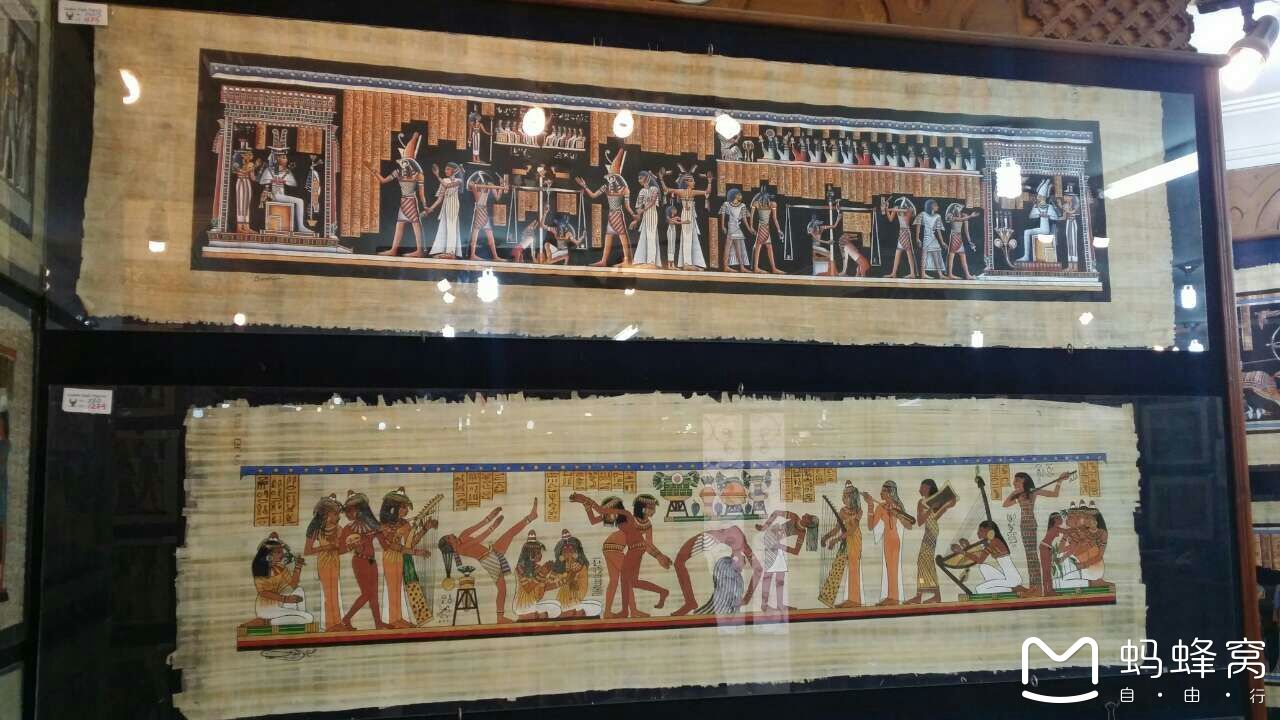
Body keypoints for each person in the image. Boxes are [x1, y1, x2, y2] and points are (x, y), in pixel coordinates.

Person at [437, 499, 539, 624]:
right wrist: (494, 526)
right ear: (450, 545)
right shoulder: (460, 548)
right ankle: (500, 618)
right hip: (489, 561)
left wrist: (491, 516)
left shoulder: (462, 535)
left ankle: (531, 517)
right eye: (448, 537)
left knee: (509, 533)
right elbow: (478, 539)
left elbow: (480, 524)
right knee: (502, 589)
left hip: (492, 552)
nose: (451, 535)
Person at [1002, 471, 1070, 595]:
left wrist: (1059, 481)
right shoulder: (1018, 494)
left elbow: (1054, 494)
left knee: (1032, 556)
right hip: (1024, 526)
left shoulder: (1032, 491)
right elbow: (1005, 504)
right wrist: (1016, 495)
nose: (1013, 483)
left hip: (1030, 525)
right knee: (1030, 556)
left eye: (1016, 480)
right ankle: (1034, 587)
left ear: (1023, 480)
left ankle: (1036, 588)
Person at [671, 525, 763, 615]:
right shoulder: (739, 545)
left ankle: (690, 602)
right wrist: (747, 599)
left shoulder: (738, 545)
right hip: (710, 539)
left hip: (712, 539)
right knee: (679, 562)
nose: (741, 570)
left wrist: (747, 599)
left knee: (678, 562)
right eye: (740, 569)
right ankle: (690, 602)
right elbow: (758, 569)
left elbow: (758, 569)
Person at [378, 487, 435, 629]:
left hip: (401, 556)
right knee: (393, 587)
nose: (406, 510)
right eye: (403, 507)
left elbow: (411, 542)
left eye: (406, 507)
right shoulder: (385, 524)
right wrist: (415, 552)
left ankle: (398, 618)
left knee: (398, 588)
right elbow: (391, 545)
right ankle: (394, 620)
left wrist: (425, 528)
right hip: (390, 557)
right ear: (393, 508)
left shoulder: (404, 523)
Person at [368, 132, 427, 257]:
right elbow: (383, 180)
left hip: (410, 201)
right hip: (404, 201)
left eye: (404, 161)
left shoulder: (418, 175)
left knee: (415, 224)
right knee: (400, 224)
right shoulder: (399, 172)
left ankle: (419, 251)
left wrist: (425, 205)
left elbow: (421, 193)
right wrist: (373, 171)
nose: (402, 163)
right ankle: (394, 249)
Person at [338, 490, 388, 630]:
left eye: (350, 510)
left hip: (372, 562)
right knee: (367, 594)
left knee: (374, 595)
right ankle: (346, 619)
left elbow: (385, 546)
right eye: (346, 511)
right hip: (360, 562)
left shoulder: (372, 526)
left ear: (360, 510)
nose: (347, 514)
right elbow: (340, 550)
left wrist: (385, 532)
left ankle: (378, 623)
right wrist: (352, 546)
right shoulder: (348, 528)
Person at [576, 150, 634, 267]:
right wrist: (585, 186)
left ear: (616, 178)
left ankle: (627, 260)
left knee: (622, 236)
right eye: (609, 177)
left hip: (618, 214)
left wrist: (633, 214)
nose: (609, 179)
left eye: (611, 177)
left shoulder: (624, 189)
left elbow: (627, 206)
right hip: (611, 215)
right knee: (608, 236)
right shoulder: (606, 187)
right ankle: (604, 260)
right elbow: (593, 195)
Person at [753, 510, 817, 612]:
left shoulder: (802, 532)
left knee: (779, 576)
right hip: (770, 540)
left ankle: (776, 605)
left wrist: (779, 546)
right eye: (807, 514)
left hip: (774, 543)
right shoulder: (795, 516)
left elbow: (796, 551)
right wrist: (764, 527)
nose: (805, 514)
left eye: (808, 516)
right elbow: (776, 512)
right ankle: (765, 605)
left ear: (808, 524)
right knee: (769, 575)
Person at [905, 479, 955, 605]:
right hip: (929, 530)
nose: (920, 490)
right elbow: (920, 521)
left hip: (932, 531)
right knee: (924, 561)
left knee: (924, 560)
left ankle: (922, 596)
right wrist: (931, 508)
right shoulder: (921, 502)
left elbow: (948, 505)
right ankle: (934, 595)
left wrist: (945, 504)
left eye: (922, 487)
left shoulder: (935, 500)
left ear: (928, 488)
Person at [864, 480, 915, 606]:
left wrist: (898, 515)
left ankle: (894, 597)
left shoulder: (897, 507)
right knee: (889, 569)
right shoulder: (880, 507)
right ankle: (892, 596)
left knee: (893, 568)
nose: (881, 493)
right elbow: (870, 526)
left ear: (890, 493)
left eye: (883, 491)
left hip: (895, 540)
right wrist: (870, 505)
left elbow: (909, 526)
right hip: (887, 540)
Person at [251, 532, 312, 626]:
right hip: (265, 608)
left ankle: (295, 620)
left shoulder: (280, 567)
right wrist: (286, 599)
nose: (282, 554)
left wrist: (298, 567)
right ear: (269, 554)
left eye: (282, 551)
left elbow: (293, 585)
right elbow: (263, 592)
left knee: (299, 590)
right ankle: (265, 622)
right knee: (308, 618)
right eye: (279, 552)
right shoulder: (260, 569)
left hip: (279, 604)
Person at [302, 493, 344, 631]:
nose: (338, 517)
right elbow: (307, 551)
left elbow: (342, 546)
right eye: (335, 513)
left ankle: (337, 622)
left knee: (334, 592)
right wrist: (325, 547)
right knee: (328, 593)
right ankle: (330, 624)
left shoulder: (338, 528)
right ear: (326, 514)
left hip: (335, 561)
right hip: (324, 562)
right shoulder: (317, 529)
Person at [819, 481, 864, 608]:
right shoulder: (843, 511)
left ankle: (854, 601)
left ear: (853, 497)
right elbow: (836, 529)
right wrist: (826, 537)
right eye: (843, 495)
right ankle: (828, 597)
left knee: (853, 568)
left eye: (846, 496)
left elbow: (852, 530)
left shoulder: (859, 511)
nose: (843, 498)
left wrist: (836, 540)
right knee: (838, 565)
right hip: (845, 540)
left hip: (854, 540)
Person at [258, 133, 314, 236]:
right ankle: (300, 226)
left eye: (285, 157)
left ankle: (301, 226)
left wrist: (283, 181)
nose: (286, 159)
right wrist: (273, 181)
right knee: (300, 201)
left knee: (300, 201)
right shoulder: (269, 170)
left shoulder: (286, 171)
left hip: (281, 195)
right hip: (274, 195)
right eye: (283, 157)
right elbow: (262, 181)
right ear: (277, 159)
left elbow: (293, 183)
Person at [954, 520, 1027, 596]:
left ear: (990, 532)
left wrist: (962, 552)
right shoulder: (992, 542)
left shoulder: (994, 542)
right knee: (983, 567)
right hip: (1011, 579)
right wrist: (967, 547)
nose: (978, 533)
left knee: (979, 589)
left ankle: (1014, 588)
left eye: (981, 530)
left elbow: (980, 560)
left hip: (1013, 580)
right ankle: (1013, 589)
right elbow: (980, 554)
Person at [660, 166, 713, 270]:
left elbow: (707, 192)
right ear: (687, 182)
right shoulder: (681, 191)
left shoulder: (693, 192)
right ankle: (687, 263)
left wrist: (710, 182)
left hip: (691, 216)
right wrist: (661, 179)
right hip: (686, 216)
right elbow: (666, 189)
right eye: (692, 181)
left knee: (691, 238)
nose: (694, 182)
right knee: (687, 238)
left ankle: (689, 262)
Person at [466, 170, 509, 261]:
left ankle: (495, 256)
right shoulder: (476, 184)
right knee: (475, 233)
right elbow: (471, 187)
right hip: (479, 210)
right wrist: (476, 187)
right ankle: (472, 255)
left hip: (484, 211)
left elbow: (497, 197)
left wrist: (501, 186)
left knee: (490, 235)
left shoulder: (489, 184)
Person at [426, 162, 465, 258]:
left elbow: (447, 186)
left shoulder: (459, 180)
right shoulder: (444, 180)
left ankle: (450, 252)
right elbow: (440, 198)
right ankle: (443, 250)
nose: (445, 171)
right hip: (446, 205)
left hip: (453, 205)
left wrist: (437, 175)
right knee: (444, 227)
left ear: (454, 170)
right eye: (445, 169)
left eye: (448, 169)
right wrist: (431, 208)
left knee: (451, 227)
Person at [513, 530, 555, 621]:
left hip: (533, 604)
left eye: (539, 552)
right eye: (537, 552)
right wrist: (542, 573)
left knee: (555, 608)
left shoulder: (539, 567)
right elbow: (528, 588)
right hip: (522, 605)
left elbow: (539, 596)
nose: (540, 555)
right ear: (529, 553)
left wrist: (547, 574)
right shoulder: (520, 568)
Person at [1019, 179, 1060, 263]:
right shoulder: (1036, 206)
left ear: (1044, 198)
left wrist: (1048, 216)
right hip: (1040, 228)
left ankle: (1027, 256)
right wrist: (1039, 214)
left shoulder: (1049, 207)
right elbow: (1031, 216)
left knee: (1028, 232)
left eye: (1041, 197)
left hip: (1045, 230)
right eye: (1039, 197)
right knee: (1027, 232)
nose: (1040, 198)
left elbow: (1056, 218)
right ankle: (1026, 256)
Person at [748, 185, 786, 274]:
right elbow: (751, 217)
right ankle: (757, 268)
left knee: (767, 246)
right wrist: (751, 227)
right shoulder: (756, 203)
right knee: (760, 246)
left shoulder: (772, 204)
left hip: (765, 228)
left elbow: (775, 218)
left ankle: (772, 268)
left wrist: (779, 230)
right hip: (762, 228)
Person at [553, 529, 591, 618]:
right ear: (560, 553)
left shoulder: (579, 564)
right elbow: (555, 577)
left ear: (576, 551)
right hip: (563, 598)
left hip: (576, 595)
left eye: (571, 549)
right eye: (564, 549)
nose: (568, 552)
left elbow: (571, 578)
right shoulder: (562, 564)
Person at [630, 170, 663, 268]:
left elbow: (652, 202)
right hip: (645, 216)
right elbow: (639, 207)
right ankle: (644, 260)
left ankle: (651, 262)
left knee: (651, 236)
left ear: (646, 178)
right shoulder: (642, 191)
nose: (639, 180)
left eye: (641, 178)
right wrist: (636, 220)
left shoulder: (654, 189)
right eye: (638, 178)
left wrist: (643, 209)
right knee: (644, 237)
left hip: (652, 214)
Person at [883, 196, 917, 279]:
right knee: (898, 252)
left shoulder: (909, 209)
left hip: (906, 232)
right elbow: (890, 219)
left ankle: (912, 273)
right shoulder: (897, 209)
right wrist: (886, 209)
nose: (897, 207)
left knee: (908, 252)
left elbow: (904, 213)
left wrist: (890, 209)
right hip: (901, 232)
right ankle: (894, 273)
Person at [943, 203, 981, 279]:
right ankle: (950, 274)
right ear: (953, 208)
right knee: (951, 255)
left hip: (959, 237)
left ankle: (967, 275)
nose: (959, 209)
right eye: (957, 207)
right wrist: (970, 216)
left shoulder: (964, 215)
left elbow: (966, 230)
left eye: (960, 207)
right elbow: (958, 219)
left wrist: (970, 241)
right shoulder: (950, 216)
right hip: (954, 236)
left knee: (963, 256)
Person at [718, 188, 751, 272]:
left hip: (737, 227)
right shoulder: (726, 204)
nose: (741, 196)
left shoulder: (742, 205)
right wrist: (722, 226)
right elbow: (723, 215)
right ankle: (726, 266)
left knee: (737, 247)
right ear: (734, 196)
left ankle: (741, 267)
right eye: (739, 194)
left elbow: (744, 219)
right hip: (731, 226)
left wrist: (749, 229)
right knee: (728, 246)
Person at [913, 199, 947, 279]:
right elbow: (918, 225)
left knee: (936, 256)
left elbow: (938, 230)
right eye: (936, 205)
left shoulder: (938, 216)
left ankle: (940, 275)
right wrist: (917, 238)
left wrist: (942, 242)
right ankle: (923, 274)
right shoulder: (923, 214)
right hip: (926, 238)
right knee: (924, 255)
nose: (938, 207)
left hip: (933, 238)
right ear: (932, 206)